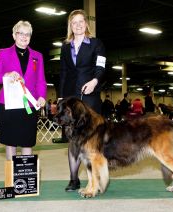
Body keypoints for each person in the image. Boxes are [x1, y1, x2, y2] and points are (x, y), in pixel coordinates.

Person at [59, 9, 106, 192]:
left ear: (86, 24)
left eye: (80, 21)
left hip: (90, 96)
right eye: (74, 22)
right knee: (73, 140)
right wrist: (62, 97)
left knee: (92, 140)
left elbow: (100, 67)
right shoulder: (65, 47)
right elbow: (63, 73)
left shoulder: (96, 43)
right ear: (70, 26)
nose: (77, 25)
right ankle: (73, 179)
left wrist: (95, 81)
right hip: (71, 98)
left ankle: (95, 180)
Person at [0, 20, 47, 161]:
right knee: (10, 142)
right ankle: (11, 177)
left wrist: (42, 96)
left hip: (29, 105)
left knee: (28, 141)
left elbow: (41, 80)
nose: (24, 36)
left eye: (28, 34)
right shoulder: (3, 53)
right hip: (9, 104)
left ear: (30, 37)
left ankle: (25, 178)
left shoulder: (37, 56)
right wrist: (6, 75)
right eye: (21, 33)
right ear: (14, 35)